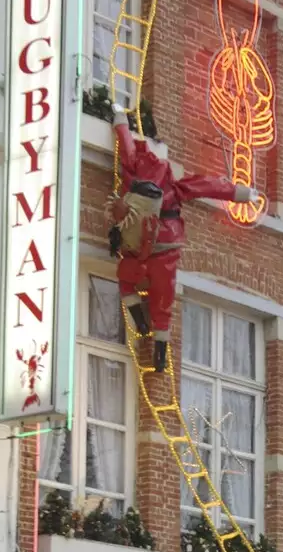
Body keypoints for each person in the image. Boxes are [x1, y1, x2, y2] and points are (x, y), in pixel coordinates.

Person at [107, 110, 257, 370]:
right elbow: (206, 185)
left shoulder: (132, 167)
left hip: (136, 243)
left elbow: (126, 142)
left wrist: (120, 119)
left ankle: (140, 322)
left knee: (125, 278)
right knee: (163, 297)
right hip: (167, 243)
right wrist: (240, 193)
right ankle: (160, 352)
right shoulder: (173, 185)